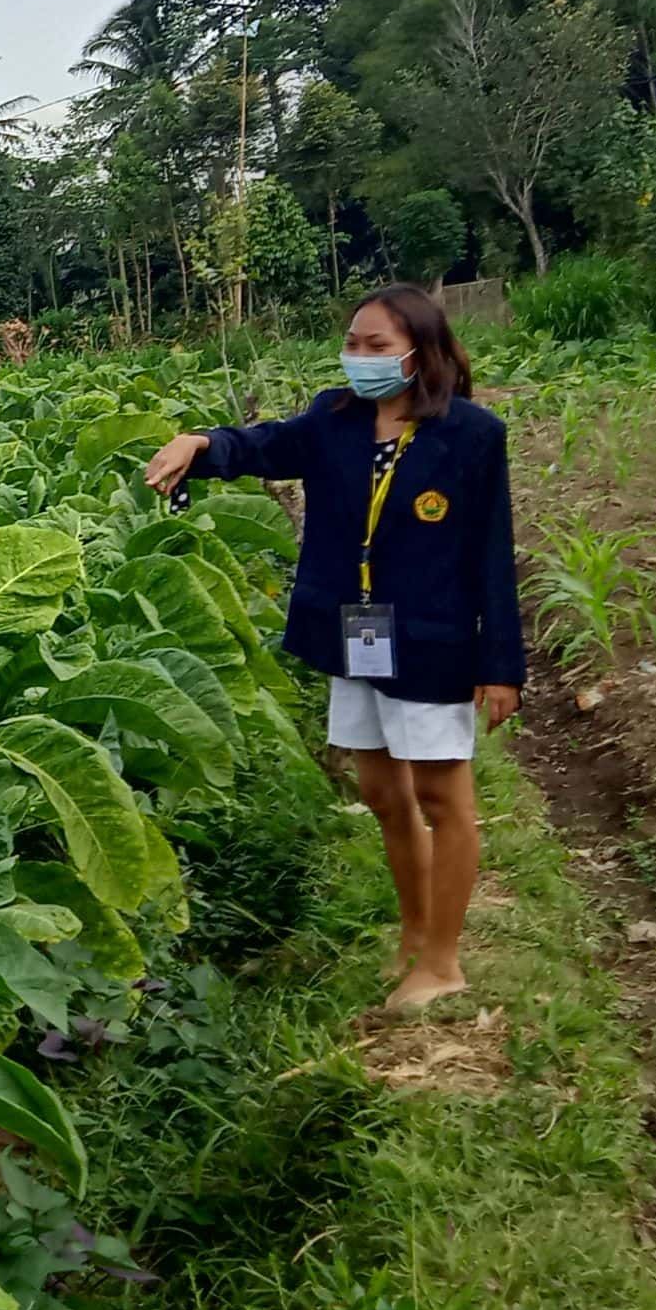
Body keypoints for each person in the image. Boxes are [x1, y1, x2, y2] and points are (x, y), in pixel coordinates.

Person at [139, 284, 523, 1013]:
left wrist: (501, 666)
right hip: (360, 632)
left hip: (434, 638)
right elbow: (263, 446)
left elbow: (491, 556)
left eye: (377, 346)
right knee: (381, 792)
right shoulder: (334, 419)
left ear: (421, 351)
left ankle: (444, 961)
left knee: (444, 796)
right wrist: (201, 443)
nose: (359, 358)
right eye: (353, 343)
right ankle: (413, 936)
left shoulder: (471, 434)